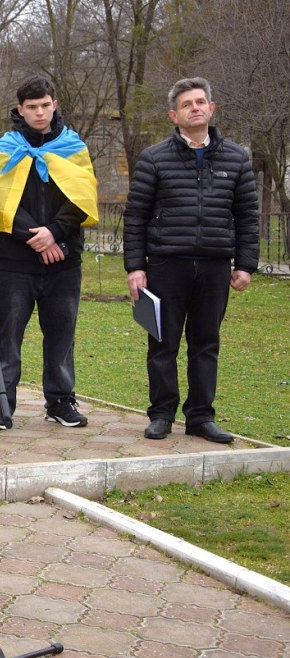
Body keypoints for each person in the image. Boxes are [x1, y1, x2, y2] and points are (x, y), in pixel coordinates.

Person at [123, 77, 258, 444]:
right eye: (187, 104)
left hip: (215, 267)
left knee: (206, 343)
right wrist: (135, 266)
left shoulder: (236, 159)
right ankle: (161, 414)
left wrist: (245, 264)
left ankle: (200, 416)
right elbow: (135, 216)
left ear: (211, 109)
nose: (195, 107)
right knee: (162, 343)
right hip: (166, 266)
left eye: (201, 102)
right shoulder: (153, 158)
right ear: (174, 115)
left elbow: (247, 216)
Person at [0, 76, 98, 430]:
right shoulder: (5, 148)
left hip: (63, 259)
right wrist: (37, 236)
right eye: (31, 107)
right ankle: (0, 404)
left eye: (45, 105)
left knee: (62, 335)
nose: (39, 112)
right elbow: (1, 203)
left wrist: (55, 234)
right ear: (20, 109)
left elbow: (81, 200)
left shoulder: (72, 146)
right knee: (7, 336)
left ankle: (61, 401)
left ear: (54, 104)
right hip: (17, 262)